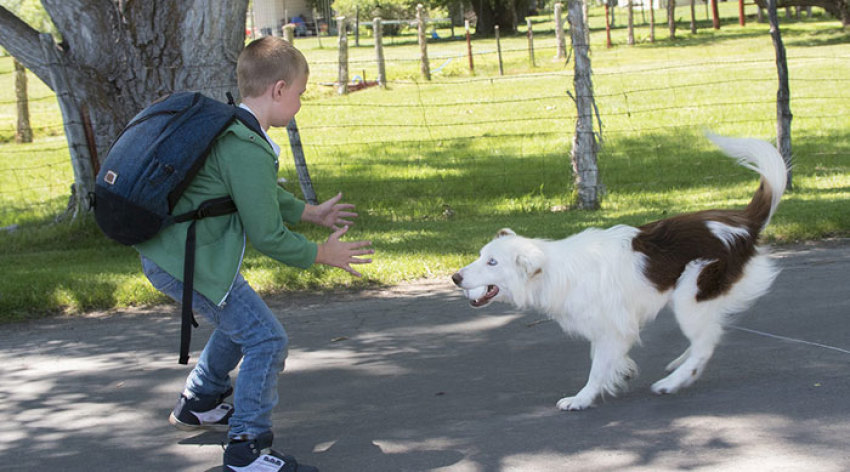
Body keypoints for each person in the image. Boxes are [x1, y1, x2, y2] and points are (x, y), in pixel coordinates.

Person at [137, 36, 373, 472]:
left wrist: (309, 212)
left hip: (188, 258)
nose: (300, 104)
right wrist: (322, 254)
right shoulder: (246, 146)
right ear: (278, 89)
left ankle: (199, 401)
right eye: (300, 95)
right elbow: (266, 234)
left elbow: (255, 197)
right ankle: (246, 448)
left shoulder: (236, 129)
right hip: (189, 264)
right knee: (267, 338)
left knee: (242, 324)